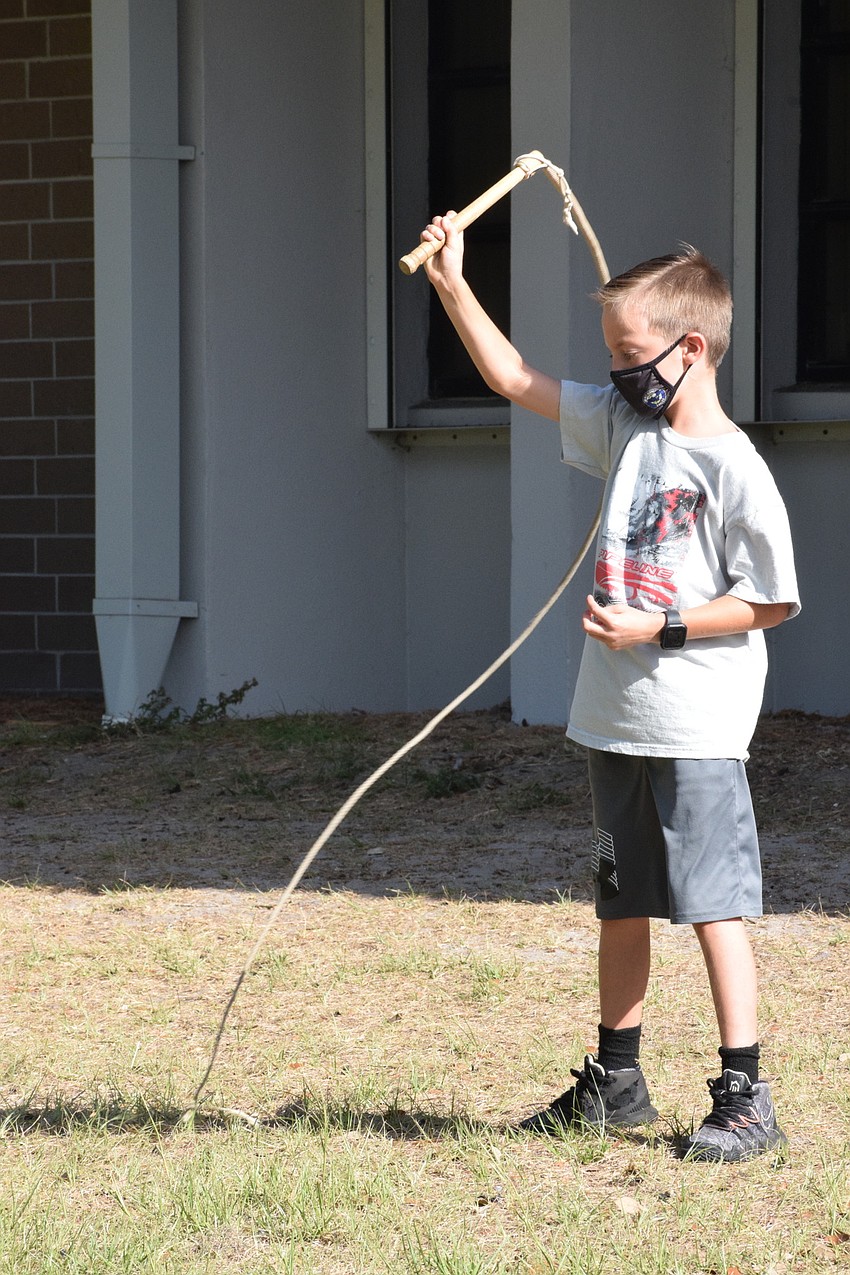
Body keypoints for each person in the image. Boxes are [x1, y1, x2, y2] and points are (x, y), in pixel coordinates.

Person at [418, 211, 800, 1162]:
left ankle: (746, 1093)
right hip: (616, 719)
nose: (621, 371)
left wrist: (660, 625)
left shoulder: (737, 469)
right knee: (621, 898)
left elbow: (773, 602)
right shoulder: (629, 428)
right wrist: (454, 284)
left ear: (692, 347)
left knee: (713, 902)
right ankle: (616, 1079)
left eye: (633, 354)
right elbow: (514, 380)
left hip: (698, 722)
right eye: (613, 355)